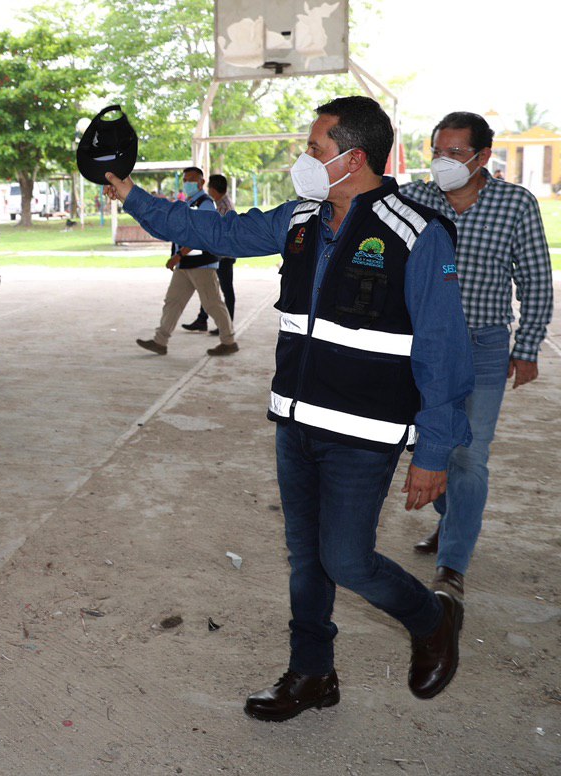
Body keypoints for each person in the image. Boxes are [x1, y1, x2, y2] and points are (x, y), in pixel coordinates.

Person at [105, 96, 475, 720]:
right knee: (307, 561)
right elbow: (215, 231)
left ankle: (431, 617)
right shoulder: (300, 218)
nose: (304, 160)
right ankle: (312, 674)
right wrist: (134, 197)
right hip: (296, 423)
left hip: (364, 431)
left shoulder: (417, 232)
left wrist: (434, 451)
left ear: (353, 158)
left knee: (347, 559)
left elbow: (444, 350)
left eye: (315, 149)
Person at [399, 111, 554, 598]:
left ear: (484, 156)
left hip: (483, 345)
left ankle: (453, 565)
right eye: (437, 151)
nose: (443, 161)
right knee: (426, 445)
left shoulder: (515, 204)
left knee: (469, 456)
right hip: (421, 346)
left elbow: (535, 280)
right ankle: (454, 520)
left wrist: (526, 347)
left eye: (456, 153)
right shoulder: (414, 199)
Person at [134, 166, 238, 357]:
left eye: (191, 180)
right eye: (185, 180)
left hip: (201, 263)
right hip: (186, 264)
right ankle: (160, 341)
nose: (187, 183)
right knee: (173, 302)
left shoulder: (205, 203)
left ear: (201, 182)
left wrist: (179, 255)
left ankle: (229, 341)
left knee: (212, 303)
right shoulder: (189, 202)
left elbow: (201, 234)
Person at [183, 174, 237, 335]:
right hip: (219, 254)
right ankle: (202, 319)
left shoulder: (222, 207)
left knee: (225, 290)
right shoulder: (221, 204)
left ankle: (226, 325)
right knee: (208, 287)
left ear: (213, 189)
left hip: (224, 256)